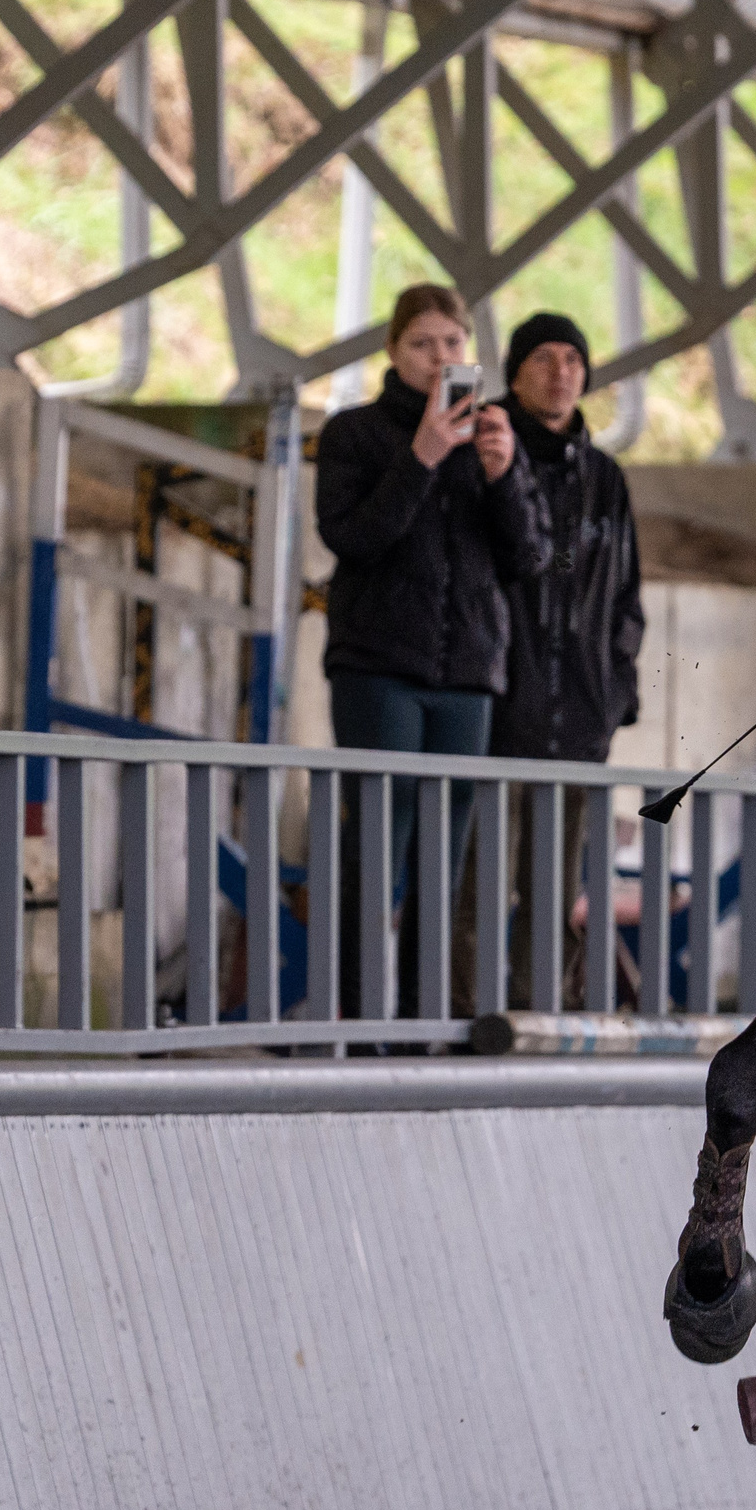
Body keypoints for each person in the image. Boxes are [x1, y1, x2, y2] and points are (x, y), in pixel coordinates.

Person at [313, 285, 551, 1014]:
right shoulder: (355, 433)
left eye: (453, 343)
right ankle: (357, 1021)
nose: (440, 358)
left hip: (468, 673)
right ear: (393, 351)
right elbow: (351, 537)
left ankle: (424, 1023)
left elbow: (529, 558)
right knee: (377, 846)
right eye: (422, 344)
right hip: (378, 667)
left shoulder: (492, 436)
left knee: (443, 858)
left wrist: (504, 477)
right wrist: (420, 457)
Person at [488, 312, 644, 1005]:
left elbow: (627, 600)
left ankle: (537, 1018)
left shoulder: (604, 478)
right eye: (544, 359)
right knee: (476, 885)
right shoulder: (487, 454)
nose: (561, 373)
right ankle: (463, 1021)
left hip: (579, 718)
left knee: (553, 895)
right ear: (514, 374)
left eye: (573, 361)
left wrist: (612, 697)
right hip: (494, 713)